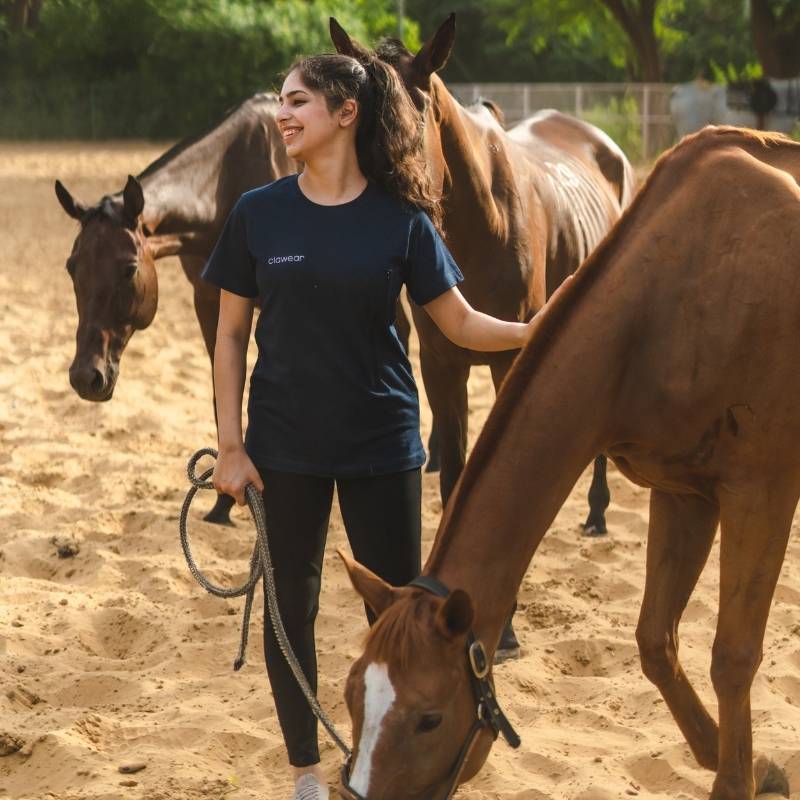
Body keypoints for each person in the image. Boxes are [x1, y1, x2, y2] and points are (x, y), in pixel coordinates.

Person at [202, 51, 533, 800]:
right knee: (293, 607)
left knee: (403, 621)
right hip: (283, 446)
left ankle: (387, 767)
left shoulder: (403, 220)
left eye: (298, 103)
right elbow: (228, 336)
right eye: (282, 102)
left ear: (345, 115)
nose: (282, 115)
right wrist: (230, 444)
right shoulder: (260, 214)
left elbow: (459, 322)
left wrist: (535, 332)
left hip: (384, 446)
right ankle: (308, 777)